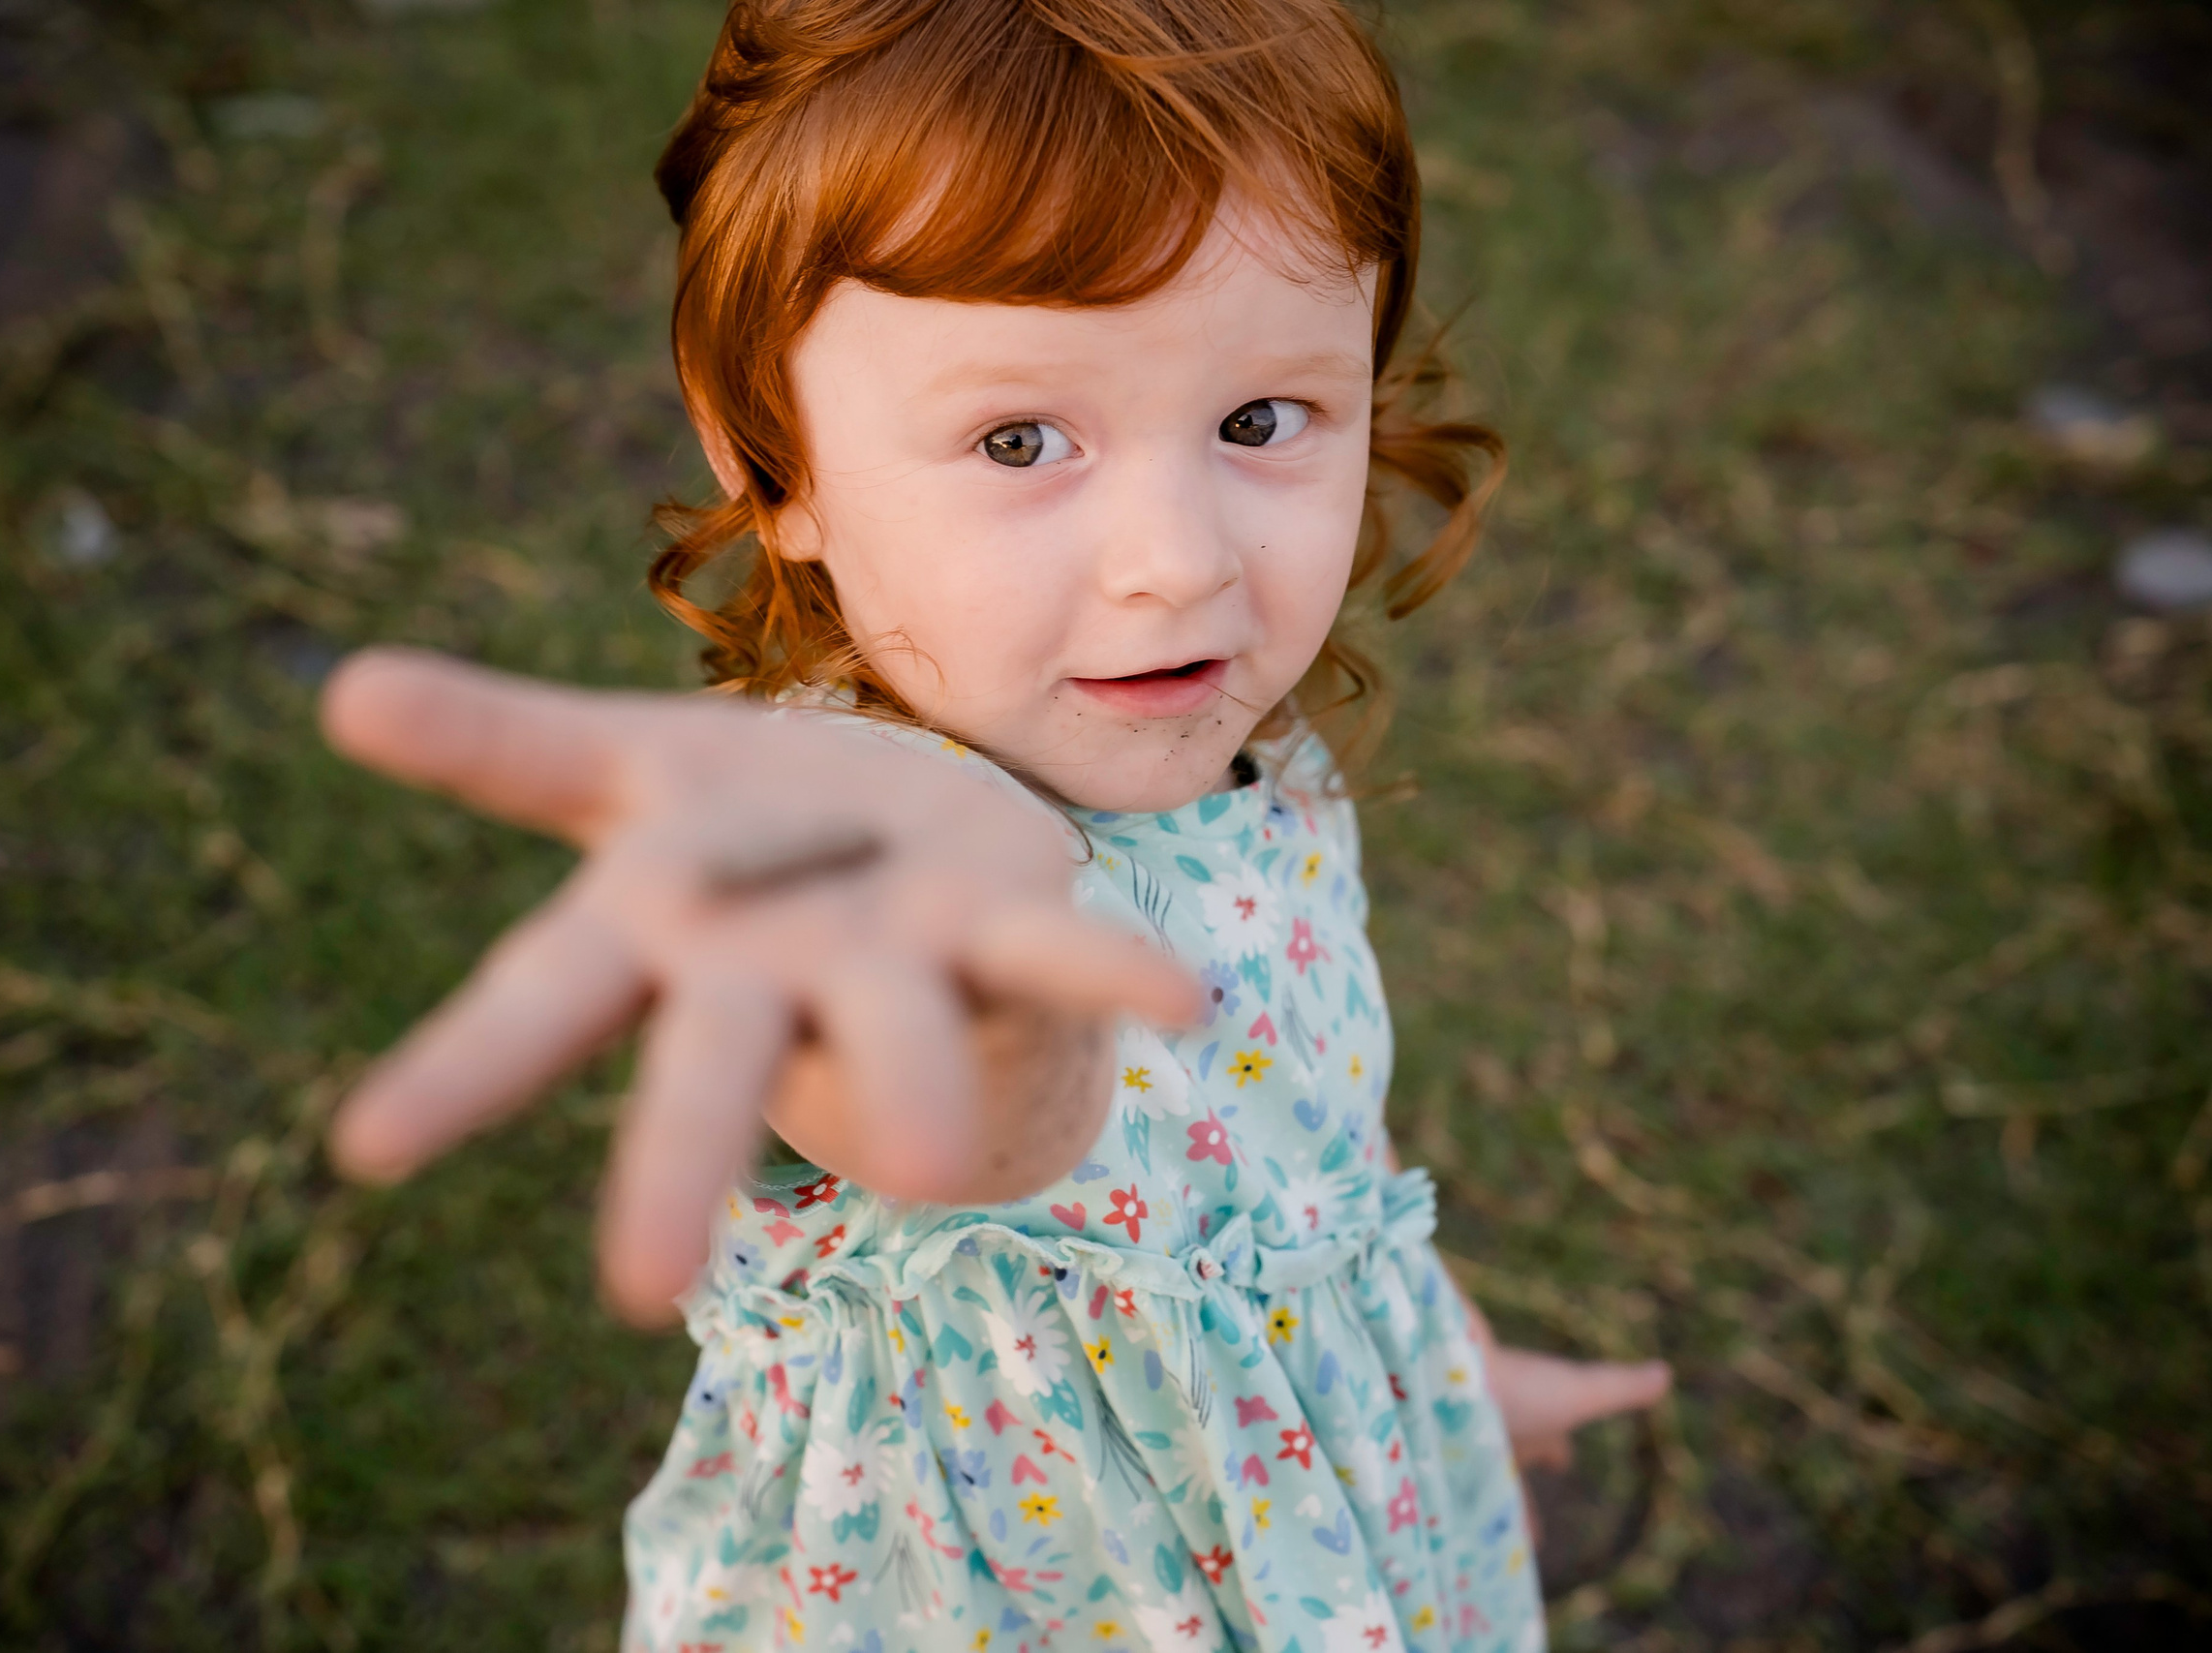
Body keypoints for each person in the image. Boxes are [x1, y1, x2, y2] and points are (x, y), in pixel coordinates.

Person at [319, 2, 1671, 1647]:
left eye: (1260, 422)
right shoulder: (906, 858)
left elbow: (1317, 1156)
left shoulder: (1268, 771)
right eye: (1020, 440)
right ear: (772, 453)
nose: (1175, 559)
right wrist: (948, 970)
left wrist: (1432, 1360)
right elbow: (970, 1087)